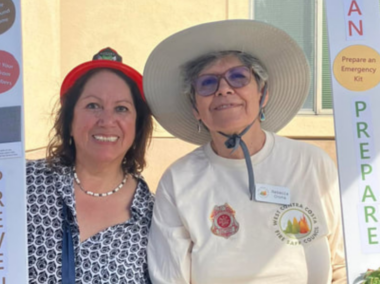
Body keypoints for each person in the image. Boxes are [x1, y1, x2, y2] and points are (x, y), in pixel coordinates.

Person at [143, 20, 346, 283]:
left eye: (239, 77)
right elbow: (168, 277)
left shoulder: (311, 164)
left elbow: (343, 263)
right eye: (207, 83)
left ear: (263, 94)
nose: (224, 89)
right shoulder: (178, 180)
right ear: (196, 108)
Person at [26, 48, 154, 284]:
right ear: (70, 120)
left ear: (138, 127)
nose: (106, 121)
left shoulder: (155, 217)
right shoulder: (20, 183)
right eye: (93, 105)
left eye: (122, 108)